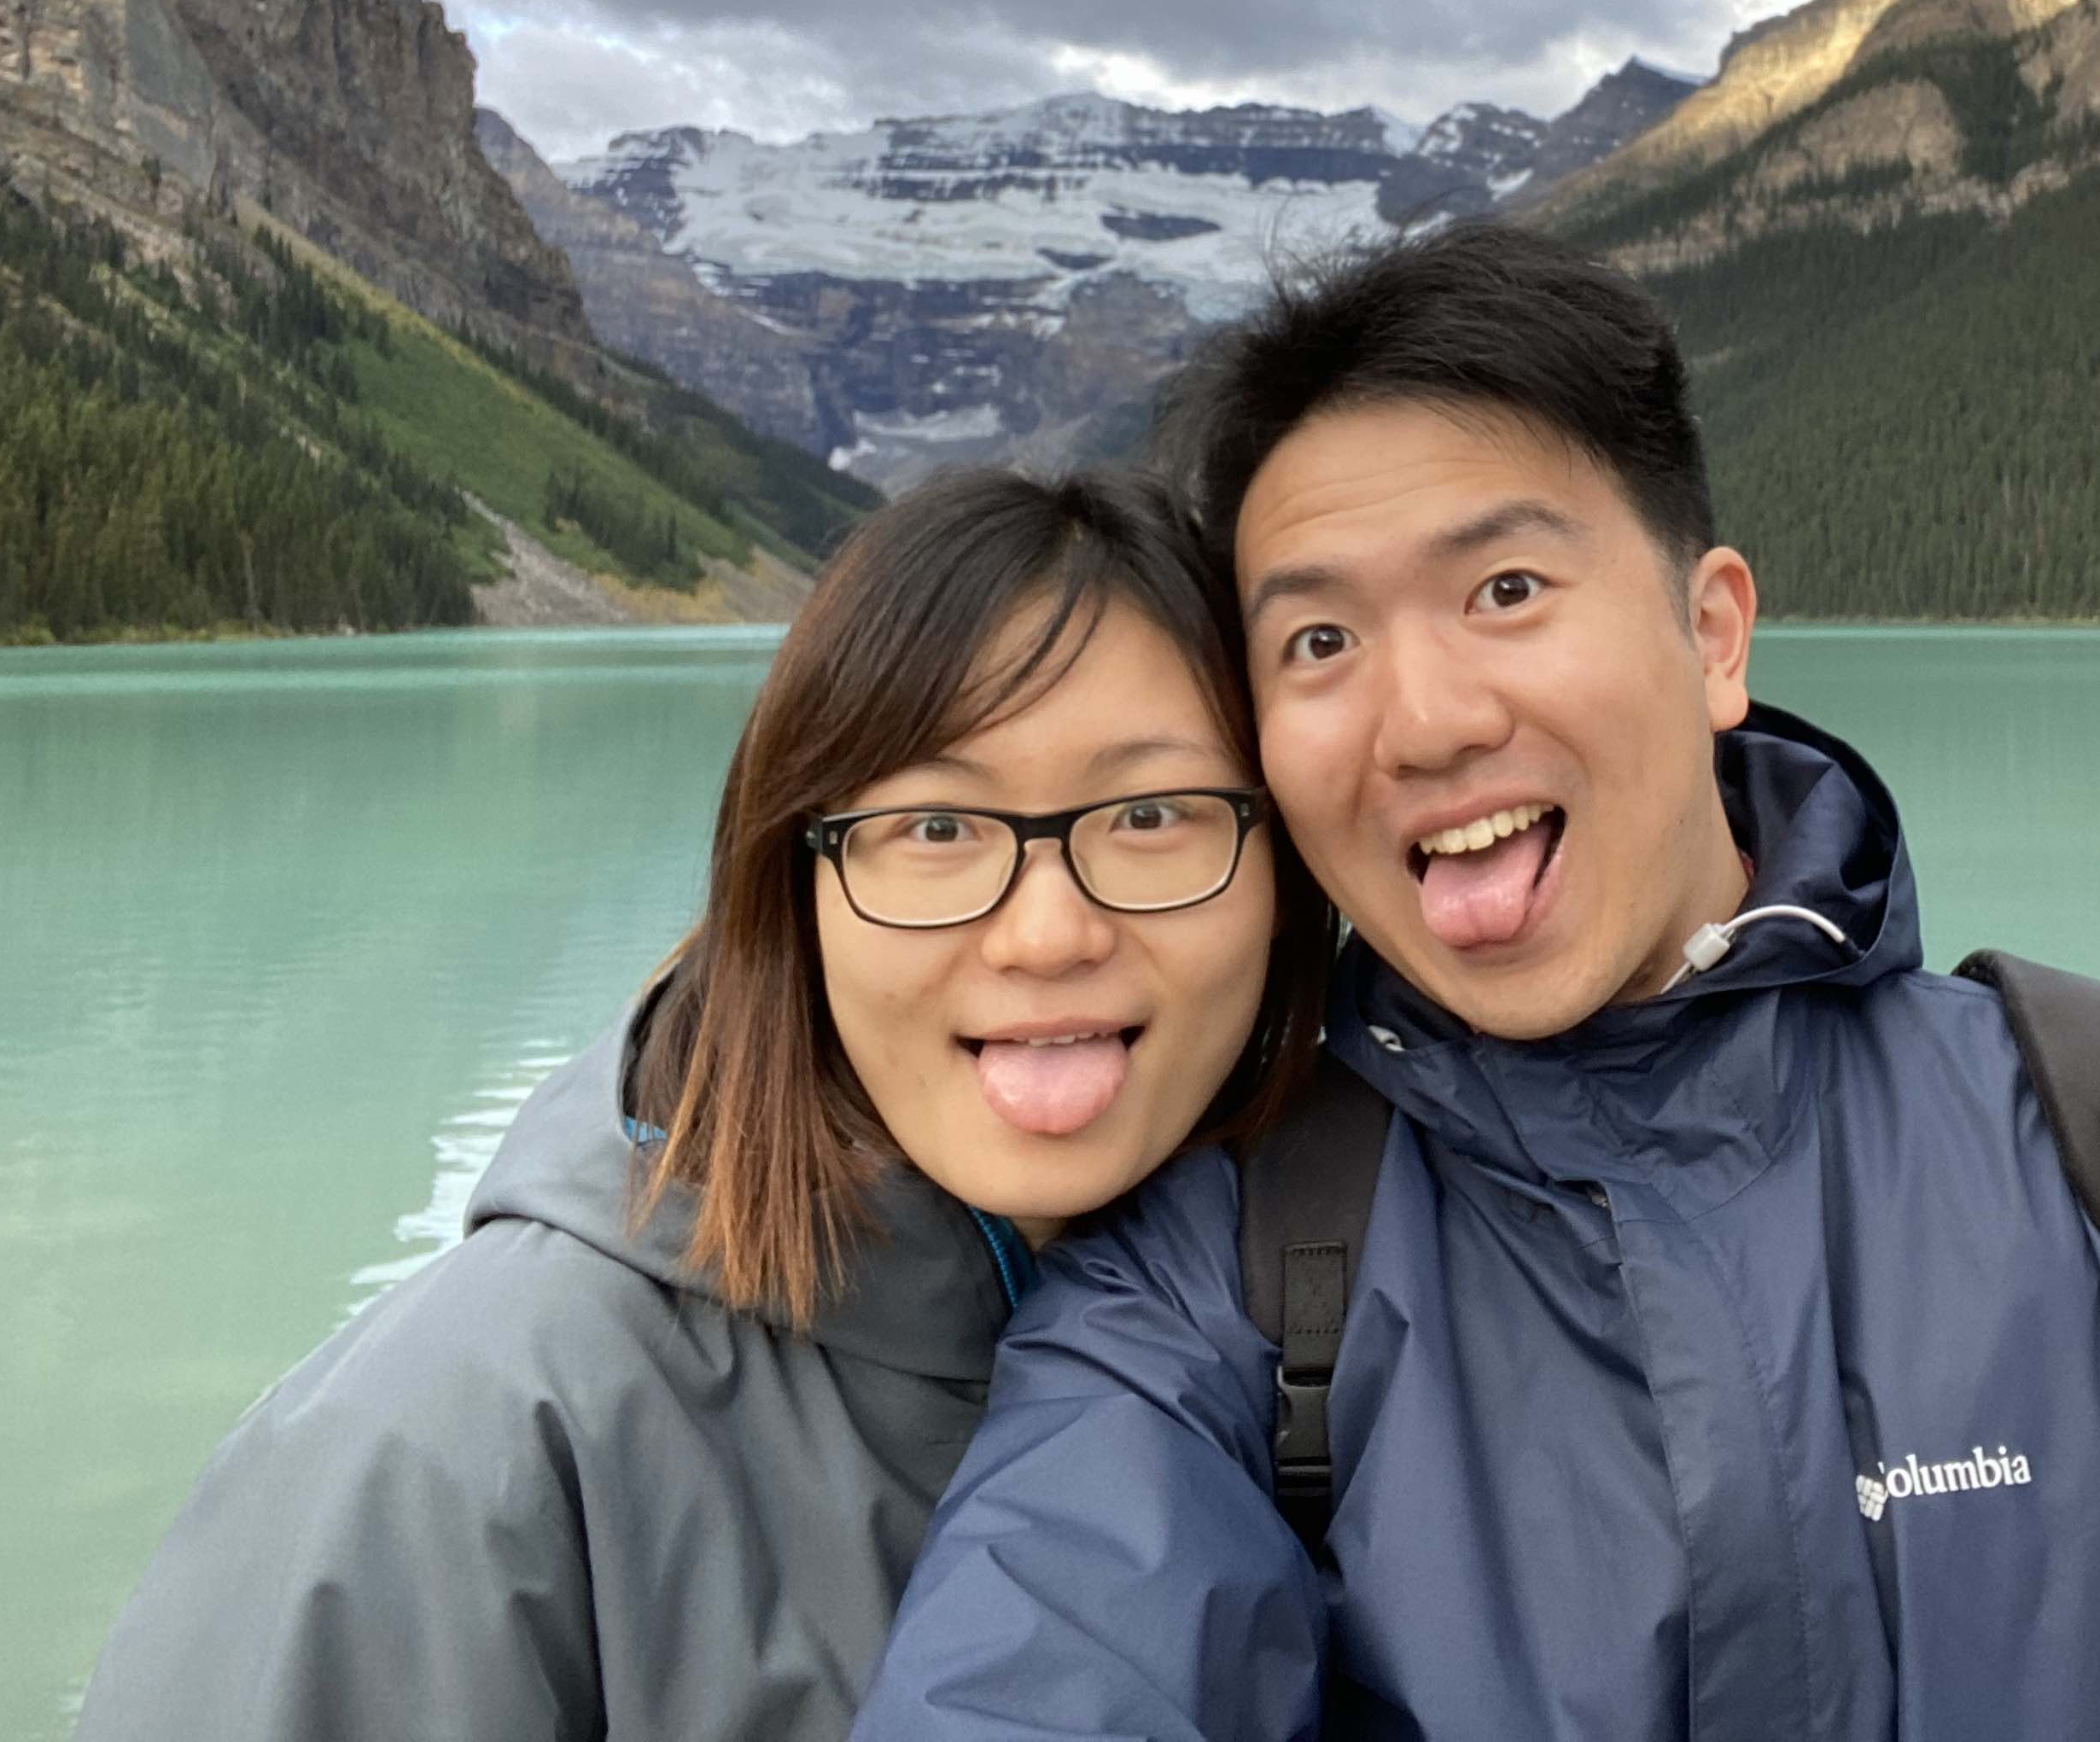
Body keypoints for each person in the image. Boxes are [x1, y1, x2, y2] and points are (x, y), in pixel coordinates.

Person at [860, 222, 2100, 1740]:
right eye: (1319, 644)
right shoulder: (1211, 1287)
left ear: (1713, 636)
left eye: (1505, 590)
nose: (1420, 721)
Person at [76, 468, 1337, 1742]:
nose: (1051, 931)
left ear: (1283, 874)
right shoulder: (457, 1447)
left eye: (1154, 814)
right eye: (938, 827)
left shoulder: (1371, 1318)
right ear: (791, 888)